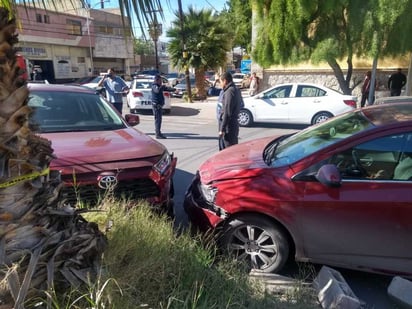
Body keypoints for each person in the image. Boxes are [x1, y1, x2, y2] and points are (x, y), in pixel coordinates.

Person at [219, 72, 242, 150]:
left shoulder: (229, 91)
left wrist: (222, 129)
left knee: (228, 151)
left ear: (225, 81)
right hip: (233, 124)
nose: (220, 84)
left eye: (220, 82)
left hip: (229, 127)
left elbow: (227, 112)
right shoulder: (236, 89)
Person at [151, 74, 174, 139]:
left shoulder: (159, 86)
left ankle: (159, 133)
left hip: (159, 106)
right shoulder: (154, 86)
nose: (161, 82)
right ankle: (157, 134)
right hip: (156, 106)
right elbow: (157, 91)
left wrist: (174, 89)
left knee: (159, 120)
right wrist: (162, 86)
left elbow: (167, 89)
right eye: (160, 80)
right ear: (156, 80)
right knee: (157, 120)